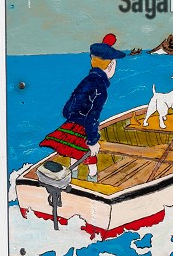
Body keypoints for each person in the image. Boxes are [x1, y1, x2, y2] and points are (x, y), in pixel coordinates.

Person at [38, 33, 128, 182]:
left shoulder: (86, 80)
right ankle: (92, 184)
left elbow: (69, 106)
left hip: (71, 124)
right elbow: (93, 116)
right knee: (91, 159)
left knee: (74, 155)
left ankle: (72, 183)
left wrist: (73, 117)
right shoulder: (101, 89)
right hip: (84, 129)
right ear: (111, 65)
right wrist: (93, 141)